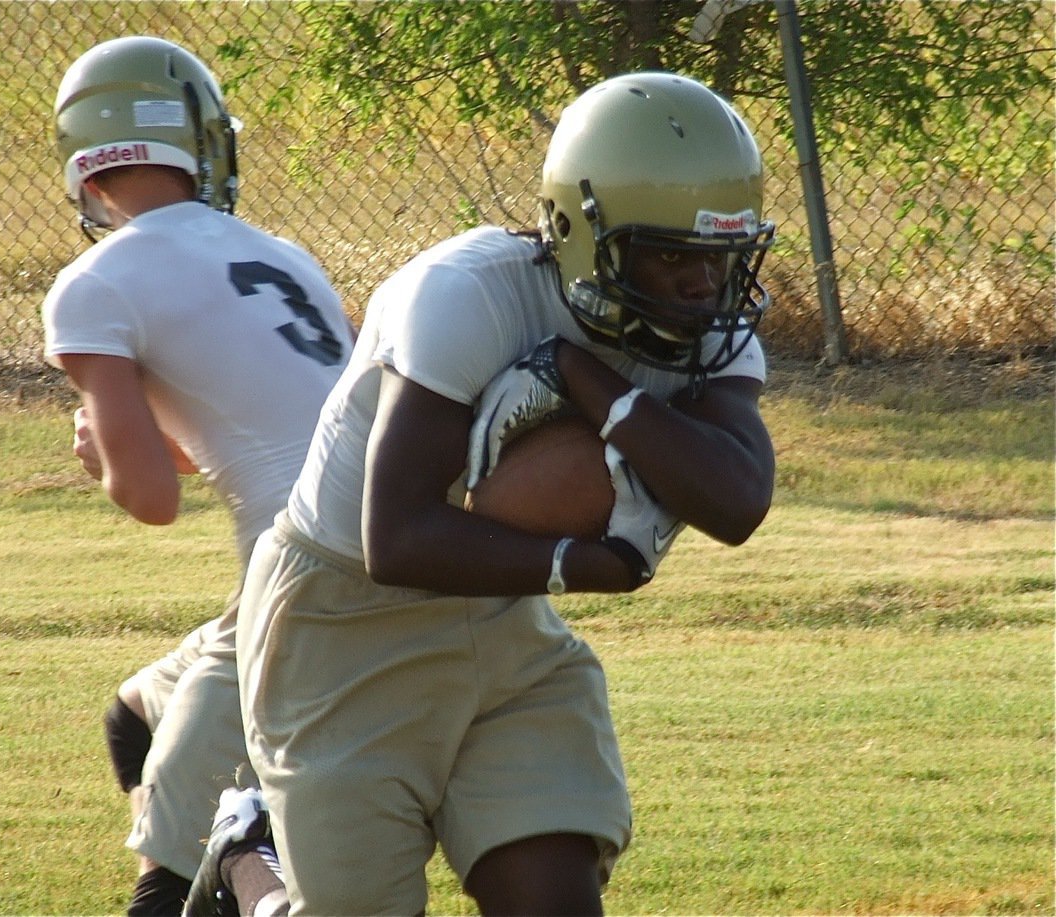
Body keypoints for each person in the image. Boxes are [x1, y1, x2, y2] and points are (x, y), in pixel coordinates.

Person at [189, 71, 777, 916]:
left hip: (504, 615)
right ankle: (248, 858)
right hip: (341, 619)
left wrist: (590, 381)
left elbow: (740, 497)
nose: (701, 287)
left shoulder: (704, 323)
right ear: (580, 229)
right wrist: (582, 563)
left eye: (719, 256)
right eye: (673, 254)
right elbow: (395, 537)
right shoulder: (469, 293)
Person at [41, 36, 354, 917]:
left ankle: (254, 889)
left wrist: (107, 455)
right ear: (200, 142)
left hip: (304, 585)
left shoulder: (94, 284)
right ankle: (246, 878)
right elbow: (259, 426)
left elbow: (151, 498)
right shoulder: (286, 257)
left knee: (169, 887)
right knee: (135, 717)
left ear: (86, 165)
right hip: (394, 534)